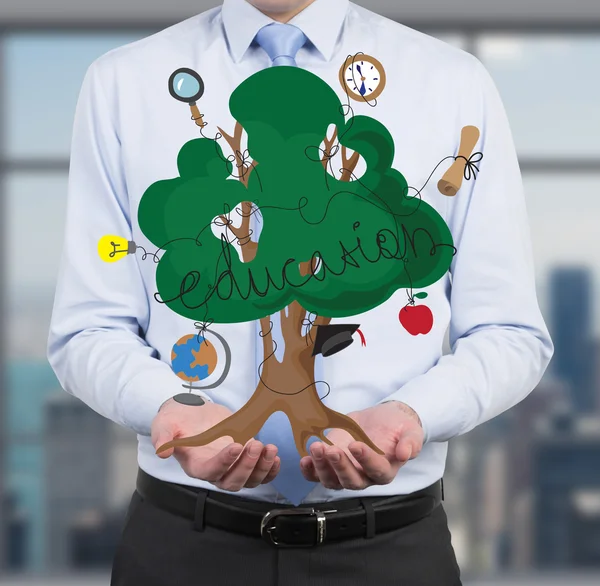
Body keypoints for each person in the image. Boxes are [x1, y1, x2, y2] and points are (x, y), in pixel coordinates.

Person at [47, 0, 554, 584]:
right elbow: (89, 328)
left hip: (391, 551)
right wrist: (170, 410)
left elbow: (509, 332)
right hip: (182, 547)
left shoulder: (452, 82)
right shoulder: (123, 82)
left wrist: (413, 415)